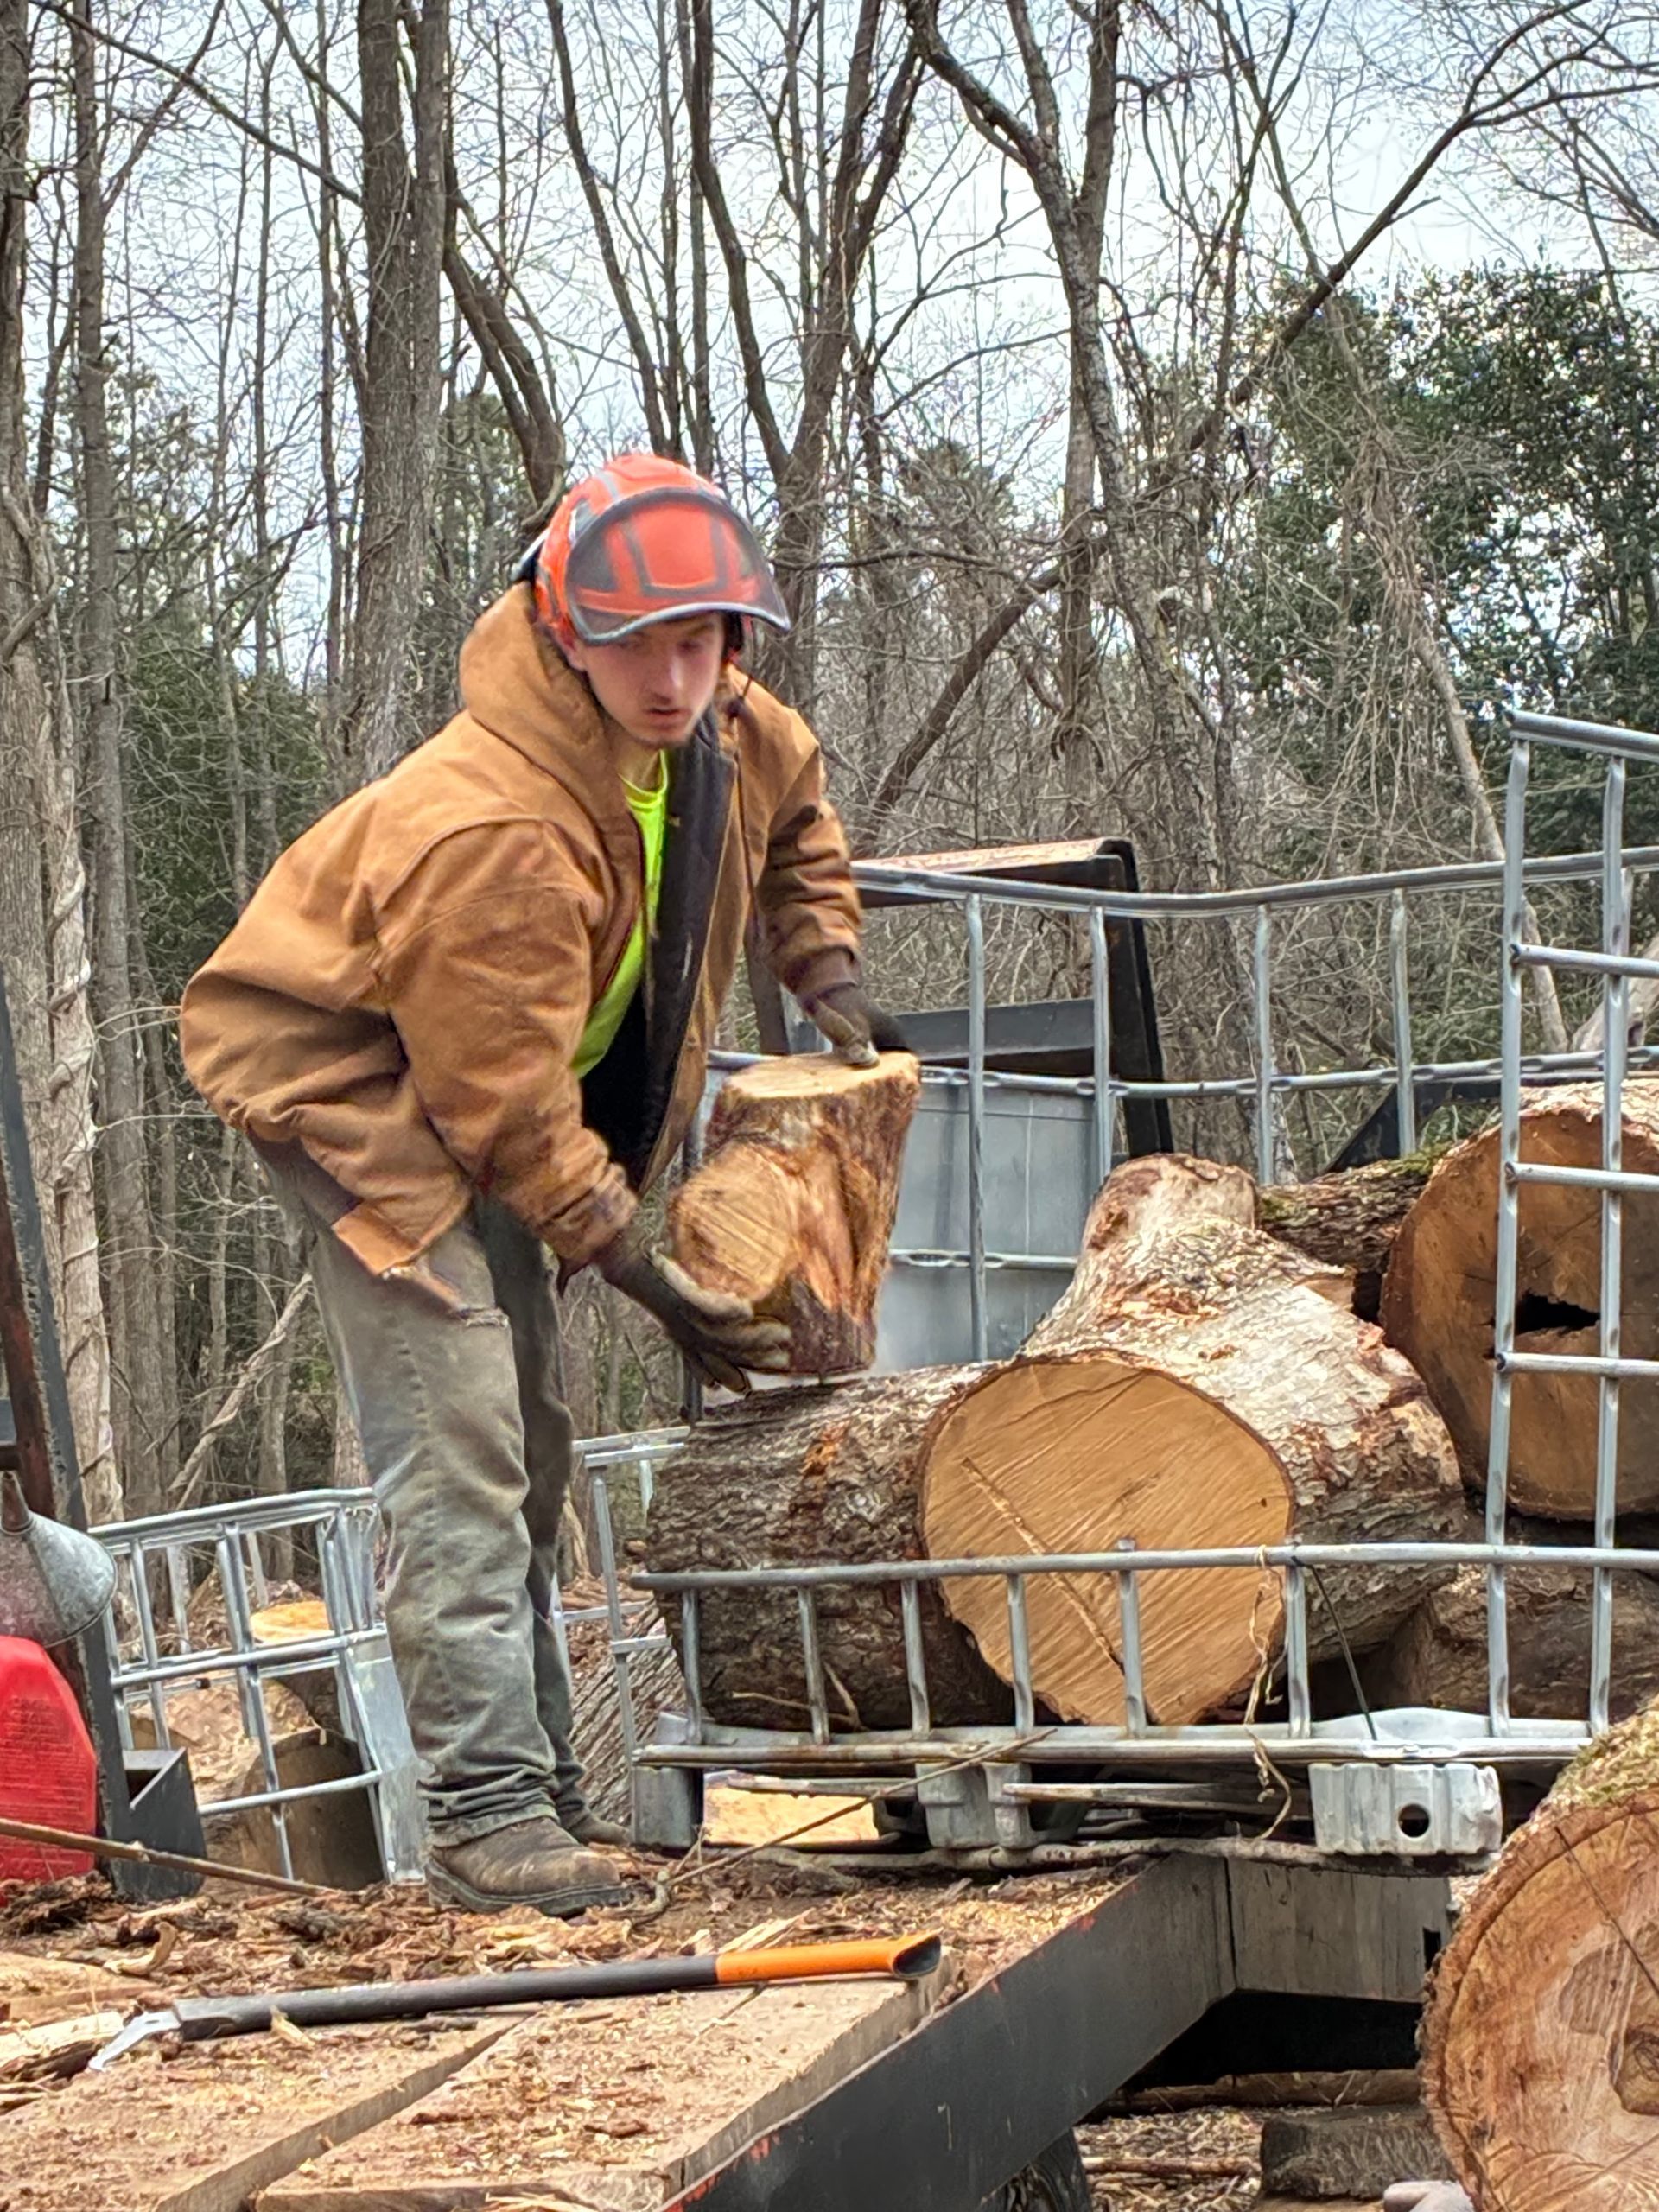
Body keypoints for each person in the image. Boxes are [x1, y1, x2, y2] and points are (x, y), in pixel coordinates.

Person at [180, 454, 904, 1916]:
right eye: (642, 642)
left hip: (512, 1096)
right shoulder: (487, 821)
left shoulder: (726, 727)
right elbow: (497, 1103)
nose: (674, 674)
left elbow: (799, 805)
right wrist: (641, 1269)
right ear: (564, 625)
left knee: (542, 1440)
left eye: (703, 641)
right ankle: (487, 1816)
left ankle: (549, 1799)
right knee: (464, 1443)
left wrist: (822, 968)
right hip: (366, 1091)